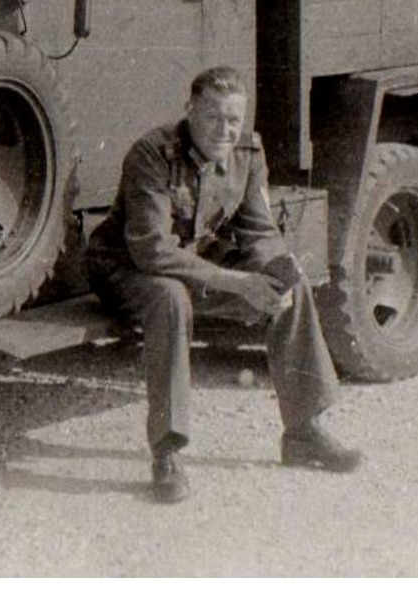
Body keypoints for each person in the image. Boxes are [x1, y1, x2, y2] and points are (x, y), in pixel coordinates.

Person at [86, 65, 362, 503]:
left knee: (286, 284)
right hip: (126, 270)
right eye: (214, 117)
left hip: (195, 263)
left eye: (234, 119)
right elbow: (151, 250)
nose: (225, 130)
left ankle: (304, 431)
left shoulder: (247, 155)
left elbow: (258, 229)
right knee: (170, 297)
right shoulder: (154, 154)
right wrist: (237, 282)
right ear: (189, 110)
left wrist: (281, 267)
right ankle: (168, 452)